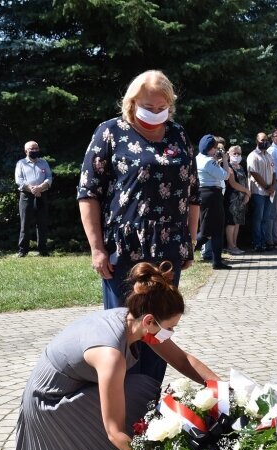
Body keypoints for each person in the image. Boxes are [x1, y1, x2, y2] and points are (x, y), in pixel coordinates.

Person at [14, 261, 219, 450]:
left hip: (67, 394)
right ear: (150, 321)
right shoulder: (110, 355)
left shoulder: (132, 319)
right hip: (47, 410)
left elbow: (183, 360)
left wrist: (223, 388)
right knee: (139, 392)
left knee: (142, 387)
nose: (170, 334)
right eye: (170, 328)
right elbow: (115, 431)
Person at [78, 70, 199, 383]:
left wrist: (190, 241)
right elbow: (88, 193)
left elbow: (193, 193)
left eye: (162, 107)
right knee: (125, 330)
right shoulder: (110, 133)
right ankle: (118, 406)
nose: (156, 112)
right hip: (124, 251)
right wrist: (96, 249)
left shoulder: (178, 134)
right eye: (149, 105)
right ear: (131, 102)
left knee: (159, 329)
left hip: (169, 250)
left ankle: (149, 406)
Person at [194, 134, 231, 270]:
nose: (216, 150)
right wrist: (225, 161)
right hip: (212, 195)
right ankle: (185, 253)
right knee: (211, 231)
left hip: (204, 194)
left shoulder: (198, 159)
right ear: (210, 148)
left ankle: (217, 261)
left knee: (210, 229)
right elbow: (225, 175)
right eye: (215, 148)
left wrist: (216, 160)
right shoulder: (208, 162)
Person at [15, 141, 53, 257]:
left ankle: (43, 250)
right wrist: (31, 188)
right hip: (26, 195)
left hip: (41, 194)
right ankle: (23, 250)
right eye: (32, 149)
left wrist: (40, 187)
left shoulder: (44, 163)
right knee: (25, 223)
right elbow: (19, 180)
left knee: (42, 223)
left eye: (36, 148)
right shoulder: (21, 163)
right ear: (26, 150)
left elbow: (49, 177)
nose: (35, 151)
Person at [247, 132, 275, 252]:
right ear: (257, 140)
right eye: (262, 139)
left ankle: (263, 242)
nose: (265, 142)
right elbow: (254, 173)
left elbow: (274, 172)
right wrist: (267, 186)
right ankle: (257, 243)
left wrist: (272, 186)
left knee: (265, 219)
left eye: (266, 139)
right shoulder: (253, 155)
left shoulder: (269, 155)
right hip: (258, 191)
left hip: (268, 192)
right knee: (257, 218)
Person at [223, 145, 250, 255]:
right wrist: (247, 192)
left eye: (239, 153)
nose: (237, 155)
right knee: (231, 222)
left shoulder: (240, 167)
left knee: (238, 222)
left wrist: (247, 194)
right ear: (228, 154)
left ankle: (235, 245)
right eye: (235, 153)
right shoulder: (228, 167)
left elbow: (245, 180)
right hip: (232, 199)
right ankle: (230, 246)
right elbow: (233, 183)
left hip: (241, 199)